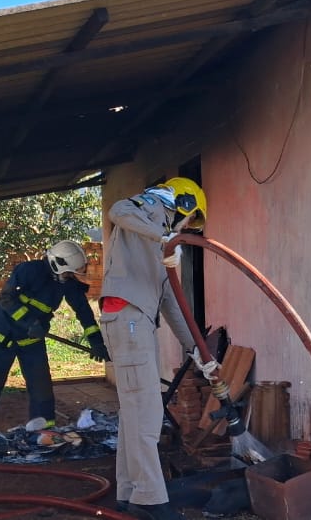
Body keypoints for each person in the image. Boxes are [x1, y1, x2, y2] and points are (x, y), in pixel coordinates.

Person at [99, 177, 209, 520]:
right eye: (189, 220)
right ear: (184, 203)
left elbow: (172, 303)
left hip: (135, 320)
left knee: (134, 413)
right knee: (146, 413)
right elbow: (118, 210)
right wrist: (163, 237)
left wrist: (199, 354)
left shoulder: (158, 245)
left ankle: (130, 491)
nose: (186, 228)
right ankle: (150, 500)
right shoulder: (149, 209)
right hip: (129, 318)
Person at [0, 239, 106, 445]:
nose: (70, 277)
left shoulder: (66, 282)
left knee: (41, 384)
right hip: (2, 336)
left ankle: (45, 431)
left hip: (31, 338)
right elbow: (7, 299)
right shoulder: (28, 271)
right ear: (57, 264)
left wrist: (96, 341)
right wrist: (29, 321)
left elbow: (83, 311)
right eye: (68, 273)